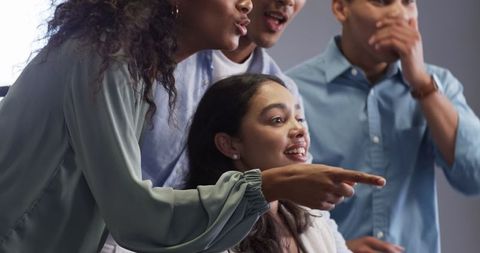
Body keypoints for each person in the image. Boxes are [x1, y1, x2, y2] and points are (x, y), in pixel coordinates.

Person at [0, 0, 386, 252]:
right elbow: (134, 216)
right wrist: (267, 185)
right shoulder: (104, 60)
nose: (247, 3)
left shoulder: (132, 69)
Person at [287, 0, 480, 252]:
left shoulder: (438, 84)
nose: (400, 13)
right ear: (341, 9)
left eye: (408, 2)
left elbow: (474, 176)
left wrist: (421, 83)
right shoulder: (291, 92)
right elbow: (277, 206)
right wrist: (334, 248)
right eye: (382, 1)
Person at [141, 0, 308, 189]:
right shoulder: (146, 59)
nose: (288, 1)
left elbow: (300, 188)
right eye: (277, 119)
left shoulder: (286, 91)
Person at [185, 73, 352, 253]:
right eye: (278, 120)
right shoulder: (201, 230)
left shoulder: (314, 215)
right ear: (229, 145)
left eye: (299, 118)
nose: (300, 130)